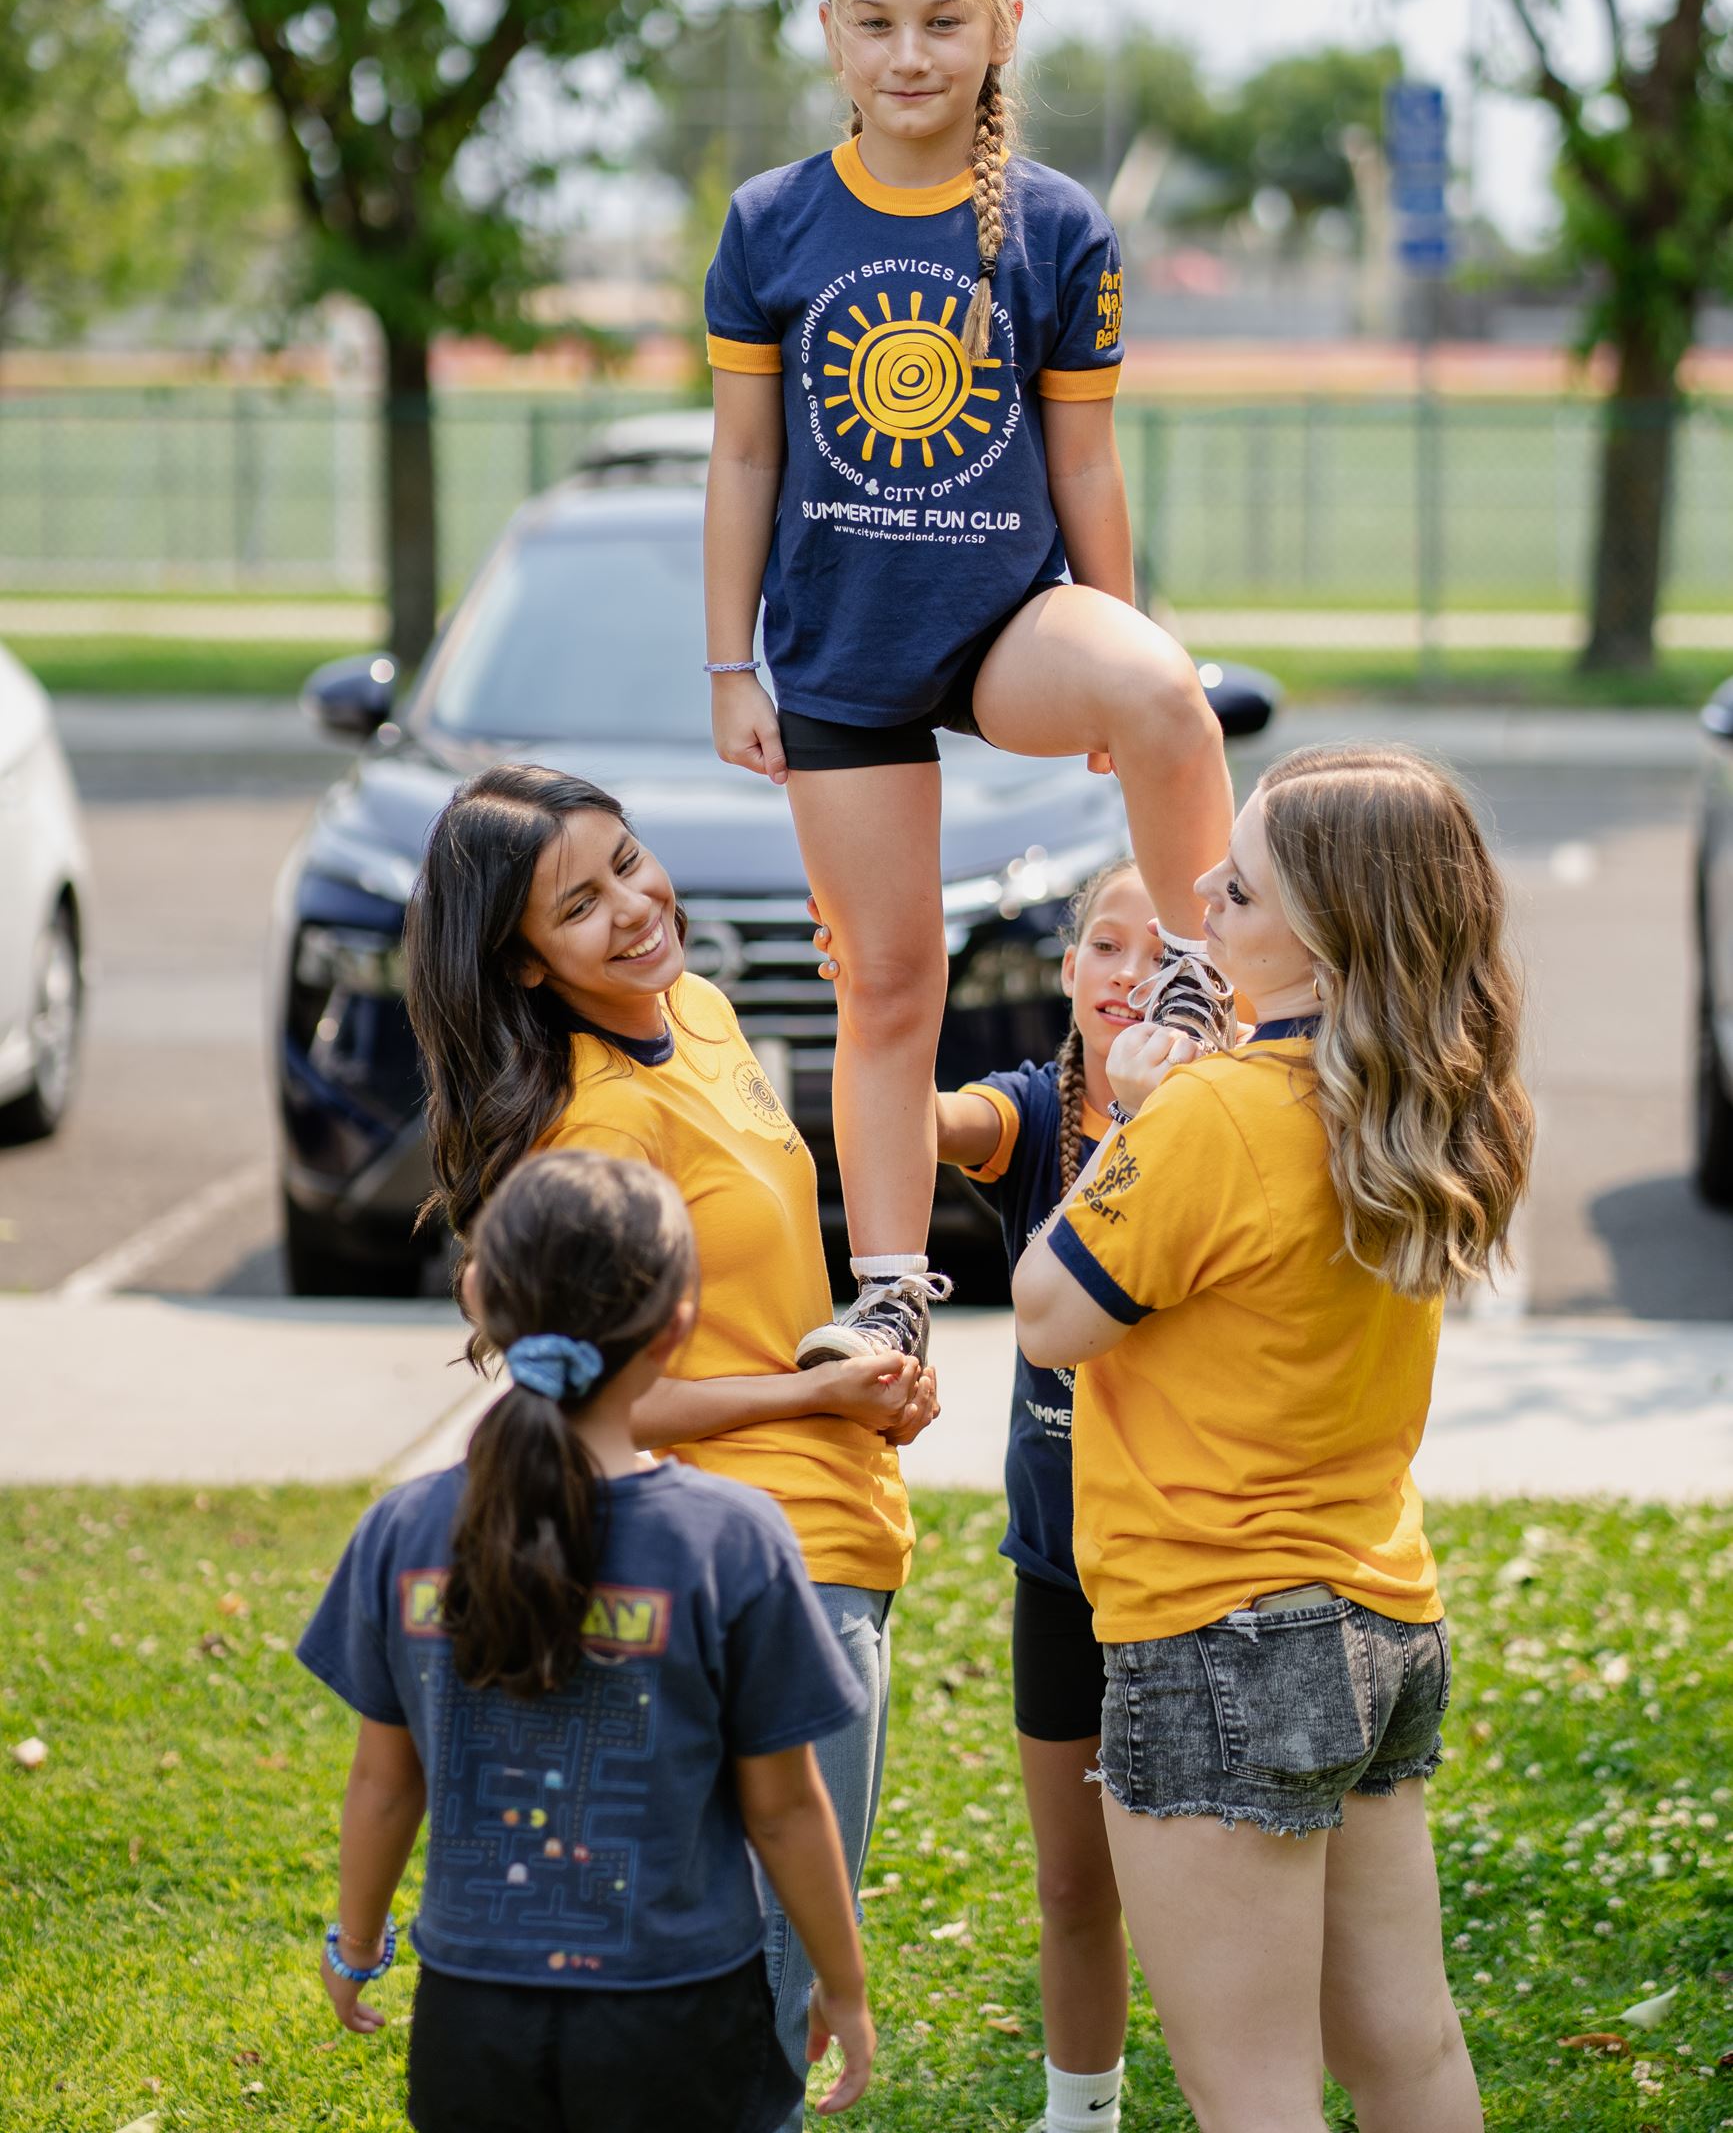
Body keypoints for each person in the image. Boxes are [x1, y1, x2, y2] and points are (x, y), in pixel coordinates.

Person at [702, 0, 1236, 1373]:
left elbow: (1084, 463)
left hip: (1006, 628)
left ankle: (1202, 984)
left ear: (1004, 26)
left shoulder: (1057, 227)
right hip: (841, 656)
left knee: (1167, 691)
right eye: (874, 22)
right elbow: (742, 459)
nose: (908, 53)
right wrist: (730, 663)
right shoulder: (771, 222)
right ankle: (885, 1293)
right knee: (888, 985)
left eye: (942, 21)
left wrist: (1116, 652)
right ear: (830, 33)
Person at [1014, 745, 1535, 2133]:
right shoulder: (1436, 1096)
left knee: (1246, 2089)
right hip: (1378, 1613)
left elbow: (1048, 1313)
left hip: (1213, 1630)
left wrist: (1129, 1119)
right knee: (1406, 2051)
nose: (1200, 890)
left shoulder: (1213, 1112)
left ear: (1323, 934)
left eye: (1236, 889)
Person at [403, 764, 932, 2128]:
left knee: (755, 1986)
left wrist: (852, 1370)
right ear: (525, 963)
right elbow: (589, 1397)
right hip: (745, 1562)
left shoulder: (695, 1010)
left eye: (628, 862)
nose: (635, 908)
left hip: (836, 1521)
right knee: (758, 2003)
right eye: (579, 905)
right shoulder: (591, 1123)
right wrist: (815, 1401)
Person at [298, 1146, 875, 2133]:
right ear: (678, 1322)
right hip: (680, 2012)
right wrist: (842, 1983)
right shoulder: (731, 1539)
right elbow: (784, 1807)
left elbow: (384, 1783)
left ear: (480, 1297)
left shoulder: (401, 1531)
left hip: (471, 2018)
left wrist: (355, 1944)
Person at [814, 858, 1154, 2133]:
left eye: (1158, 951)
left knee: (1207, 1884)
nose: (1126, 973)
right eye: (1104, 945)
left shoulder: (1224, 1117)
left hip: (1192, 1575)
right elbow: (916, 1119)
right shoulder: (1039, 1110)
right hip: (1059, 1570)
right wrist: (869, 1001)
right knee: (1072, 1886)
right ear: (1065, 970)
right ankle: (1081, 2113)